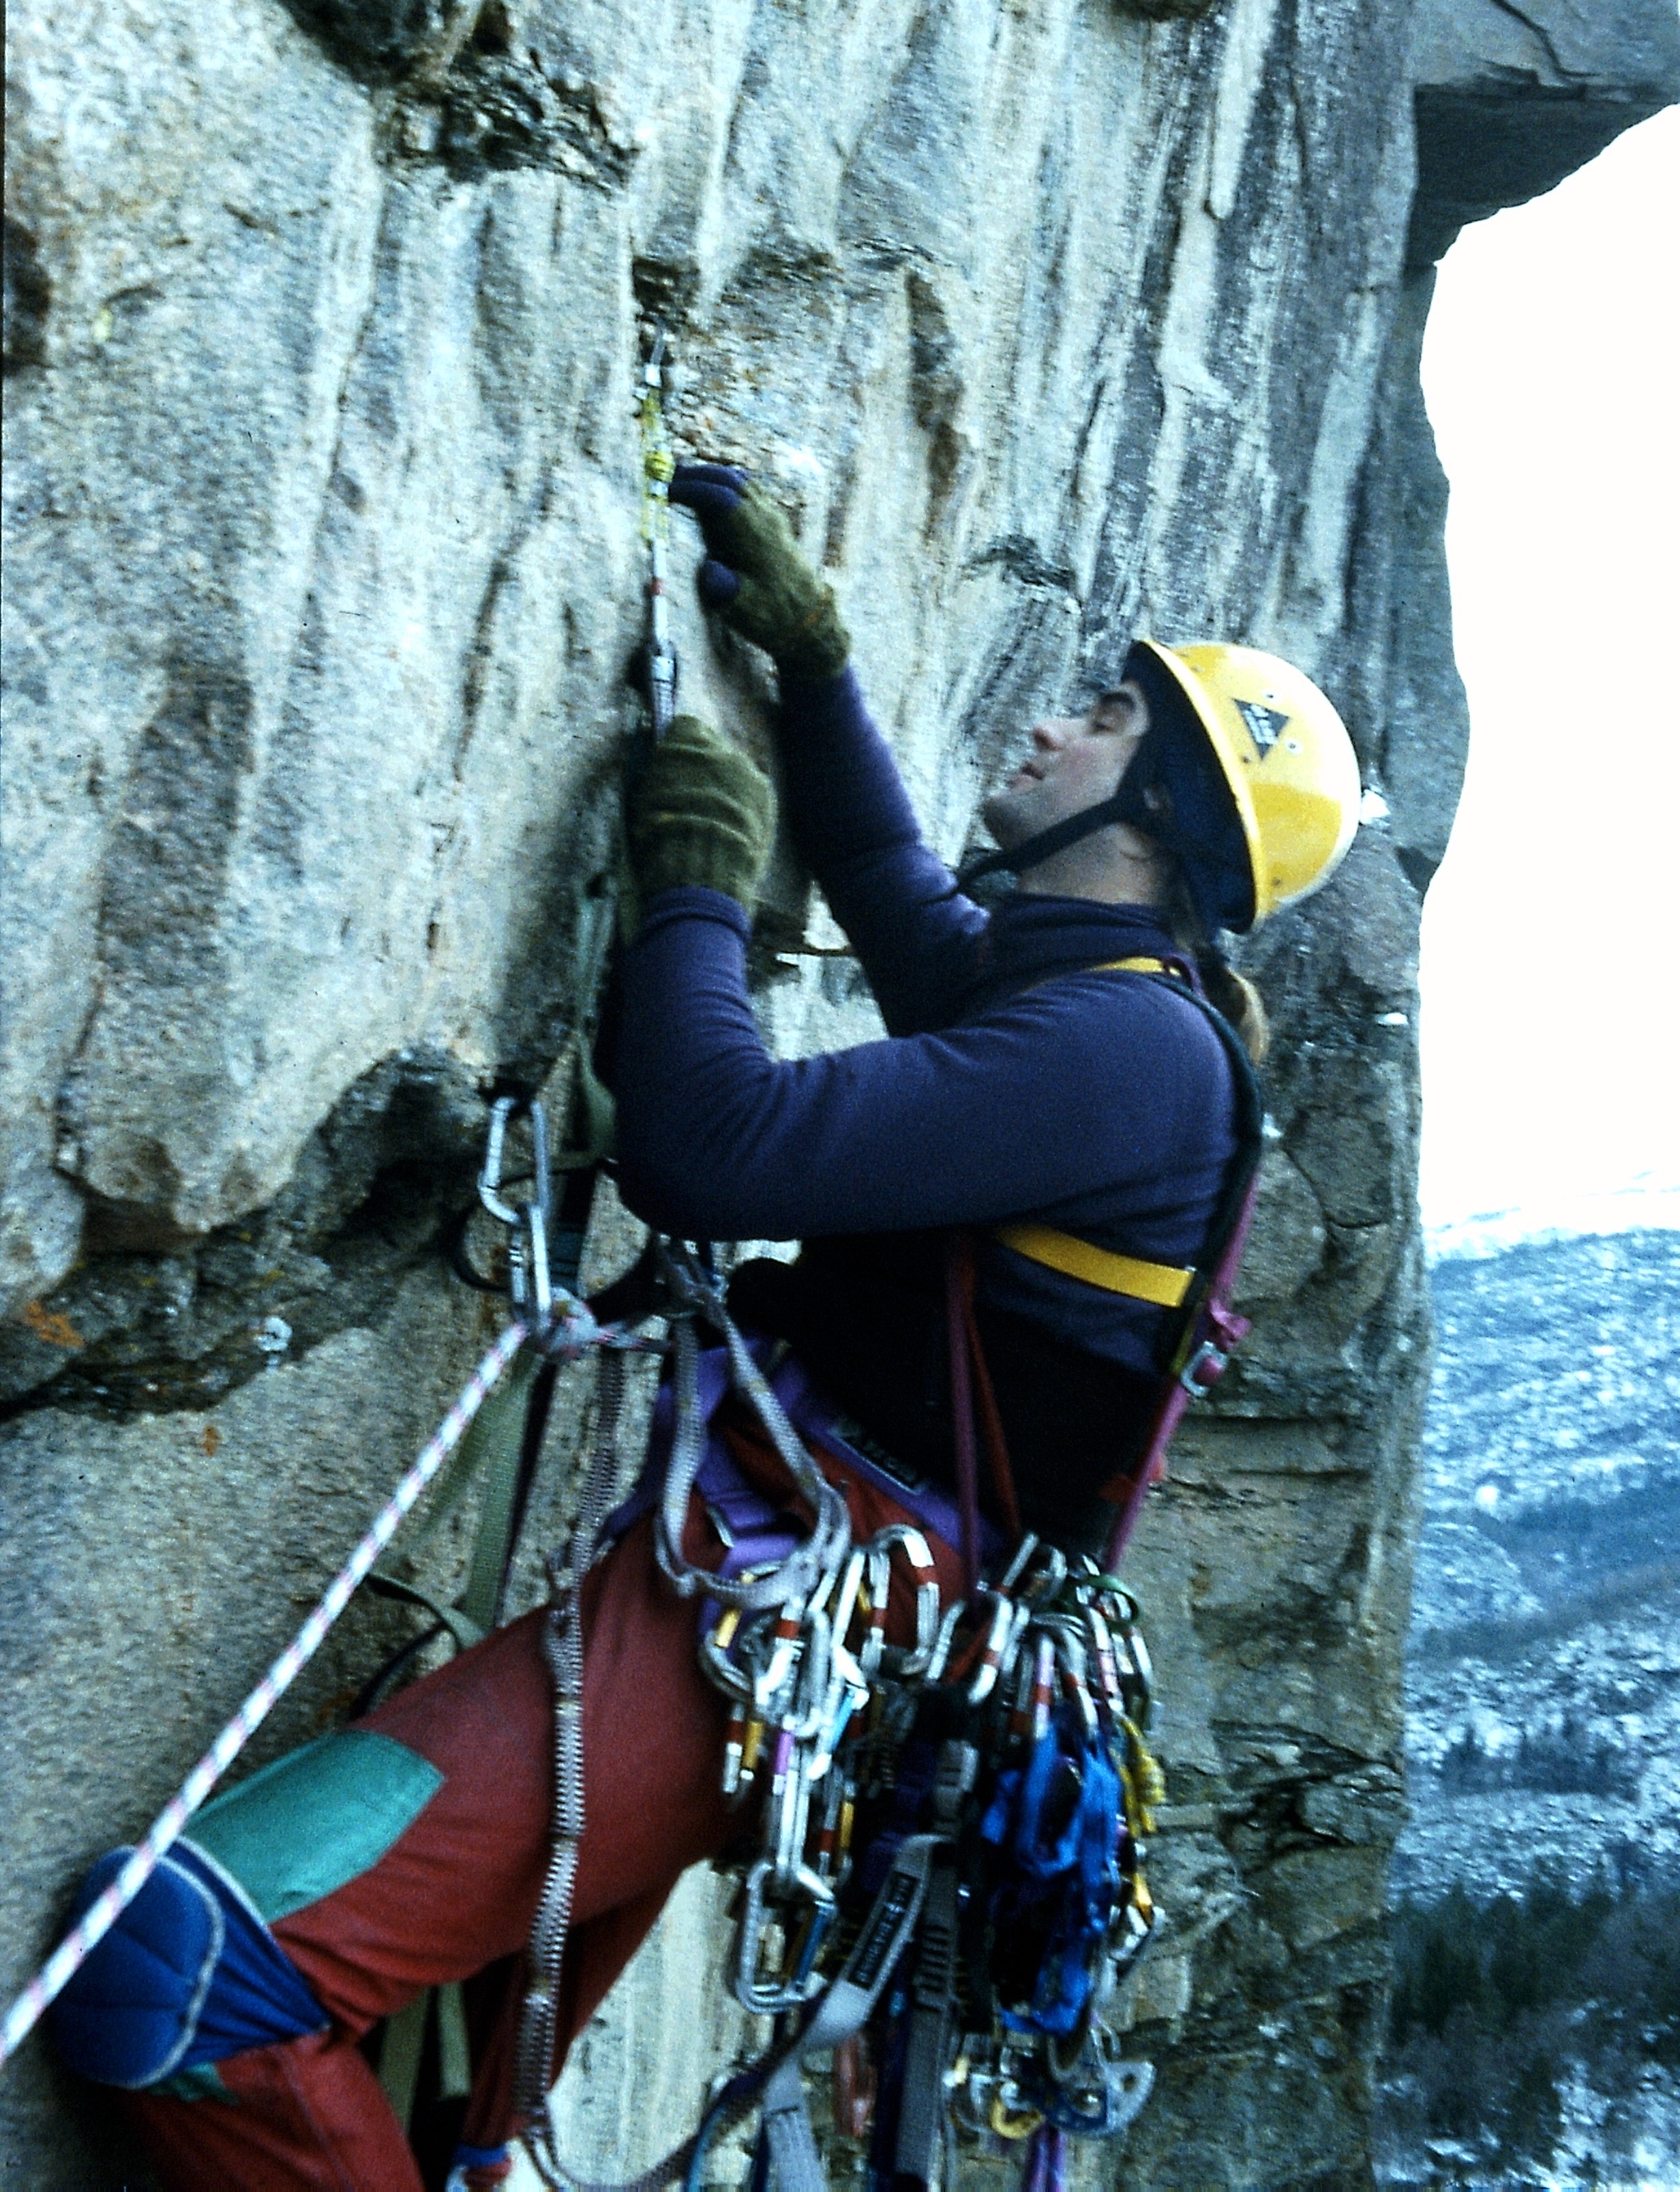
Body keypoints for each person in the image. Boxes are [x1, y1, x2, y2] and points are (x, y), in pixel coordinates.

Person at [47, 465, 1362, 2191]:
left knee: (177, 1965)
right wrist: (808, 673)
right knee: (443, 2065)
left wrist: (692, 899)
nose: (1045, 728)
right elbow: (897, 883)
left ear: (1166, 812)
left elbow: (702, 1146)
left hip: (784, 1613)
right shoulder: (1091, 1008)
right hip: (782, 1590)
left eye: (1103, 719)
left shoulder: (1127, 1056)